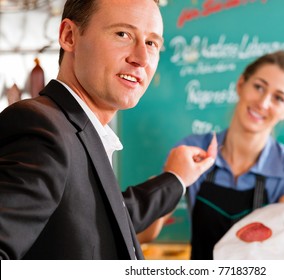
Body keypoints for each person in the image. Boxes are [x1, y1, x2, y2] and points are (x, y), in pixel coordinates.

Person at [0, 0, 216, 260]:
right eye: (122, 34)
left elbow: (100, 222)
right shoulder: (41, 129)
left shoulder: (77, 130)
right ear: (69, 37)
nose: (141, 59)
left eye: (151, 43)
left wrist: (176, 179)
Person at [140, 51, 284, 260]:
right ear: (241, 84)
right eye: (259, 87)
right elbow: (144, 232)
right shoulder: (193, 148)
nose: (263, 103)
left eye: (278, 98)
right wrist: (168, 180)